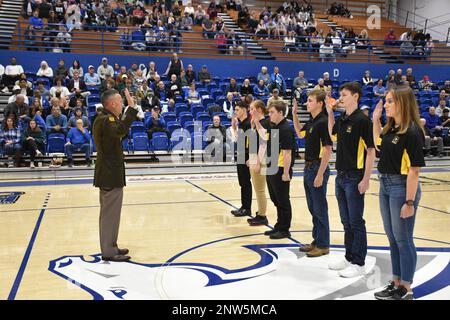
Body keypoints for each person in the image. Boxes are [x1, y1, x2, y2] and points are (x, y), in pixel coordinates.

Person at [372, 85, 425, 300]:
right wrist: (375, 121)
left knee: (403, 239)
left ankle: (406, 287)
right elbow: (378, 149)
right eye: (386, 101)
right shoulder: (391, 128)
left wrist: (409, 202)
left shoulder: (412, 131)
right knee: (393, 238)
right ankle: (396, 283)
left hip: (401, 187)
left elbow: (414, 170)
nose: (386, 104)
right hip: (385, 184)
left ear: (402, 103)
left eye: (390, 101)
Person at [326, 81, 376, 278]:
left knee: (356, 221)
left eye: (344, 95)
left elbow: (371, 151)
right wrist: (330, 112)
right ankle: (348, 257)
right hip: (341, 176)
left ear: (355, 96)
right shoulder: (343, 118)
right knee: (346, 221)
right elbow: (332, 134)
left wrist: (366, 178)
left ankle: (359, 262)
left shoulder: (363, 121)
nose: (341, 98)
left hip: (355, 177)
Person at [93, 88, 138, 262]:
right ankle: (108, 251)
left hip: (111, 173)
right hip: (109, 174)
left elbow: (119, 131)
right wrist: (131, 109)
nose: (123, 104)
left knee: (112, 214)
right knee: (109, 214)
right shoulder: (105, 120)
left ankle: (111, 246)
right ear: (112, 104)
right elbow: (120, 130)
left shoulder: (106, 119)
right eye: (121, 102)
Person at [292, 91, 332, 256]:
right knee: (313, 207)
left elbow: (328, 149)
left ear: (320, 103)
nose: (306, 103)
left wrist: (320, 174)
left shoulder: (322, 122)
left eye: (310, 101)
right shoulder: (312, 121)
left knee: (320, 208)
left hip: (317, 167)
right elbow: (300, 133)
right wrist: (294, 114)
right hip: (309, 168)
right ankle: (317, 239)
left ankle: (323, 245)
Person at [263, 100, 296, 239]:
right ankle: (279, 225)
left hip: (281, 169)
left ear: (281, 113)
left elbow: (287, 152)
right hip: (272, 167)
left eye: (272, 112)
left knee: (283, 200)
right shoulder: (274, 126)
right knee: (275, 199)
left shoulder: (285, 129)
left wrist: (286, 172)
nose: (269, 115)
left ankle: (284, 228)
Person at [247, 100, 271, 226]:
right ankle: (260, 212)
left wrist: (258, 162)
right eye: (250, 109)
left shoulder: (265, 122)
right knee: (257, 189)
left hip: (261, 159)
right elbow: (253, 143)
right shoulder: (255, 123)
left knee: (260, 189)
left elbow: (263, 142)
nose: (250, 111)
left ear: (260, 110)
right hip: (254, 158)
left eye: (252, 109)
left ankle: (262, 215)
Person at [230, 101, 252, 217]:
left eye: (237, 110)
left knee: (246, 183)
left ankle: (247, 208)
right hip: (240, 154)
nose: (235, 112)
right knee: (242, 183)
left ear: (244, 110)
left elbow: (251, 142)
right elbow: (238, 139)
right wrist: (234, 126)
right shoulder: (241, 123)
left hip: (246, 156)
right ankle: (244, 206)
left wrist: (250, 157)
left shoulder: (248, 123)